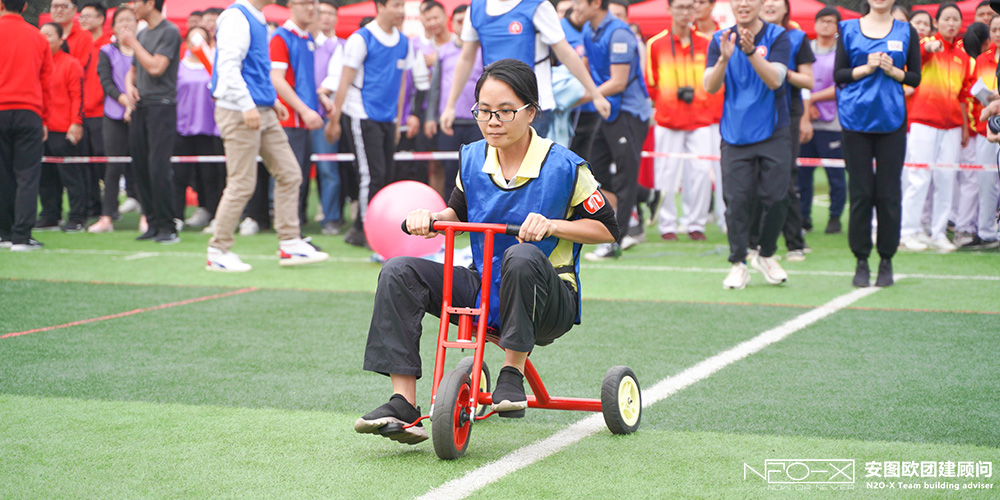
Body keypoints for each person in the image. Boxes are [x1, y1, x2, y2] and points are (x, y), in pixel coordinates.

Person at [355, 59, 619, 443]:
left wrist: (553, 225)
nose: (493, 121)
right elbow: (457, 212)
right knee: (399, 271)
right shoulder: (472, 157)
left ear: (531, 111)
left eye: (506, 111)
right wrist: (431, 218)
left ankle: (512, 374)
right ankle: (403, 403)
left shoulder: (565, 166)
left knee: (521, 255)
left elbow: (608, 229)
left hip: (549, 299)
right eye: (484, 111)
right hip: (485, 288)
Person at [208, 0, 329, 271]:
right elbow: (227, 67)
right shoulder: (237, 17)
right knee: (241, 183)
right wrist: (247, 104)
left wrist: (270, 100)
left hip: (260, 108)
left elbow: (257, 68)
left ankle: (290, 243)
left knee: (290, 173)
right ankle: (218, 250)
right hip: (239, 110)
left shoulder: (257, 17)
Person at [325, 0, 429, 248]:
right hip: (361, 114)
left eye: (402, 6)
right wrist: (334, 120)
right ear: (380, 7)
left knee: (386, 175)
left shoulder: (404, 42)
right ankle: (365, 229)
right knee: (371, 175)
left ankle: (368, 227)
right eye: (395, 5)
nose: (401, 11)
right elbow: (344, 80)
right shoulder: (361, 39)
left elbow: (401, 84)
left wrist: (397, 120)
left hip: (387, 117)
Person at [704, 0, 791, 289]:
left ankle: (766, 254)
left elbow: (776, 80)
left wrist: (751, 51)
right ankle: (738, 262)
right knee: (737, 201)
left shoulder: (777, 36)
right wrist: (723, 59)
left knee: (777, 197)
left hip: (773, 129)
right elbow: (709, 86)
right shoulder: (720, 39)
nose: (743, 3)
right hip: (735, 132)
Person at [835, 0, 921, 287]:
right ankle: (861, 259)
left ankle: (886, 259)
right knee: (860, 193)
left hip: (891, 119)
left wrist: (894, 71)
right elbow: (839, 74)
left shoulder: (907, 31)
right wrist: (867, 68)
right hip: (854, 120)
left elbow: (915, 77)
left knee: (888, 194)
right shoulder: (848, 29)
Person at [438, 0, 613, 139]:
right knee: (498, 167)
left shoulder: (537, 6)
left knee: (529, 166)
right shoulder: (476, 8)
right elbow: (466, 58)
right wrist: (450, 106)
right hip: (494, 106)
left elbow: (565, 52)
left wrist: (595, 94)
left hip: (532, 106)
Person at [575, 0, 652, 261]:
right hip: (607, 110)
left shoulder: (619, 33)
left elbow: (618, 82)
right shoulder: (589, 30)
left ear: (596, 3)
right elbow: (585, 68)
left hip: (629, 112)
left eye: (578, 2)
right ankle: (648, 196)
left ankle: (616, 240)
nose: (574, 6)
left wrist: (583, 97)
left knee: (625, 177)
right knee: (592, 169)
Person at [899, 3, 972, 253]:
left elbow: (963, 95)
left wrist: (964, 127)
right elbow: (916, 57)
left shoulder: (963, 57)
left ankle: (938, 233)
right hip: (923, 122)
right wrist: (928, 48)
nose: (951, 24)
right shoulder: (926, 45)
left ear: (960, 24)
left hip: (952, 126)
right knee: (918, 178)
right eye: (946, 19)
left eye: (955, 19)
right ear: (936, 23)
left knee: (946, 179)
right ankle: (908, 231)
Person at [645, 0, 715, 242]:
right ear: (669, 9)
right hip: (668, 120)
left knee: (701, 173)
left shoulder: (707, 43)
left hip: (701, 118)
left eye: (689, 7)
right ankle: (667, 225)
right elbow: (651, 83)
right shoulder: (655, 44)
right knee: (666, 174)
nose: (685, 12)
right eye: (680, 7)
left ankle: (696, 224)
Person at [754, 0, 813, 263]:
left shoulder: (797, 37)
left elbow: (808, 81)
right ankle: (756, 243)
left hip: (787, 114)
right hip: (753, 115)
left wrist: (780, 73)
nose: (769, 4)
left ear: (786, 7)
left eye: (776, 0)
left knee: (784, 179)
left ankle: (794, 243)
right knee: (754, 179)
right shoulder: (747, 36)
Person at [120, 0, 182, 244]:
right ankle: (153, 224)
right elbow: (133, 71)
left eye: (137, 2)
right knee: (141, 166)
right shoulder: (143, 33)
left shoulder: (170, 31)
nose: (132, 6)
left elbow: (156, 67)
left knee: (158, 168)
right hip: (141, 106)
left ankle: (168, 226)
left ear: (150, 3)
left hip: (162, 106)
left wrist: (133, 43)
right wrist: (129, 86)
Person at [0, 0, 52, 251]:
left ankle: (4, 233)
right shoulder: (38, 37)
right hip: (29, 111)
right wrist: (45, 119)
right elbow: (46, 82)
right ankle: (21, 236)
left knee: (3, 174)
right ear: (24, 7)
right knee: (27, 175)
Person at [270, 0, 325, 229]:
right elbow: (276, 79)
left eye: (313, 3)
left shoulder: (307, 37)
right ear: (291, 5)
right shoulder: (281, 37)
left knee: (300, 177)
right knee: (290, 178)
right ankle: (288, 231)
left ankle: (296, 229)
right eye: (305, 3)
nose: (310, 8)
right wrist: (304, 110)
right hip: (289, 120)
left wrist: (319, 99)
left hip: (304, 120)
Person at [425, 4, 484, 201]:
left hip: (477, 121)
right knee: (450, 170)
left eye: (467, 21)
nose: (464, 25)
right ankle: (450, 211)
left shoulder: (482, 50)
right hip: (449, 121)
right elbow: (435, 88)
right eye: (460, 21)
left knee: (477, 171)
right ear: (453, 24)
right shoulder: (444, 51)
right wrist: (431, 117)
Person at [798, 7, 846, 236]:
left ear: (837, 27)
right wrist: (807, 107)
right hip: (804, 120)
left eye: (830, 21)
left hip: (832, 122)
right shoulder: (805, 49)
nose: (825, 25)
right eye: (822, 21)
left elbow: (842, 85)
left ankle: (835, 217)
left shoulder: (843, 52)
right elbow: (799, 80)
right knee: (802, 173)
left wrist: (813, 99)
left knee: (835, 174)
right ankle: (803, 218)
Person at [88, 7, 137, 234]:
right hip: (114, 114)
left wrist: (134, 105)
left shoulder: (144, 50)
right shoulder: (106, 51)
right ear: (113, 27)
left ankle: (148, 215)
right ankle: (107, 216)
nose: (126, 24)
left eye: (130, 20)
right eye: (121, 20)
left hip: (140, 113)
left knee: (144, 164)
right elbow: (106, 82)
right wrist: (124, 101)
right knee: (113, 166)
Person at [173, 27, 225, 229]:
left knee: (210, 175)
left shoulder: (213, 65)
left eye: (202, 38)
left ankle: (213, 215)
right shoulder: (179, 67)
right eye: (193, 38)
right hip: (182, 128)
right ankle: (176, 216)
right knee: (179, 175)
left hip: (209, 128)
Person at [38, 23, 87, 234]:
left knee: (71, 176)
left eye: (48, 35)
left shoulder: (71, 64)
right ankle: (50, 215)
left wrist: (76, 122)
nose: (43, 38)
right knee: (45, 176)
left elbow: (78, 95)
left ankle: (77, 217)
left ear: (60, 40)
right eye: (41, 35)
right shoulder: (36, 63)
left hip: (64, 127)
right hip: (41, 129)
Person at [693, 0, 726, 234]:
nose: (697, 6)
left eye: (702, 2)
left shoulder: (725, 36)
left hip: (724, 115)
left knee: (726, 172)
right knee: (698, 173)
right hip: (696, 118)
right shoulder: (687, 37)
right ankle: (694, 223)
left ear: (713, 5)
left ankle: (727, 220)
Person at [966, 15, 1000, 250]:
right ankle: (987, 232)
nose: (998, 33)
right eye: (995, 29)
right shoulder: (981, 59)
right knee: (986, 181)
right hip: (985, 127)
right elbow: (973, 88)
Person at [313, 0, 345, 236]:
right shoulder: (305, 42)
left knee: (328, 169)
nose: (325, 17)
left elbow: (337, 78)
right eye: (321, 13)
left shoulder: (340, 46)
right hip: (297, 116)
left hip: (326, 116)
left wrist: (321, 93)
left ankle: (331, 218)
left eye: (330, 13)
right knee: (293, 169)